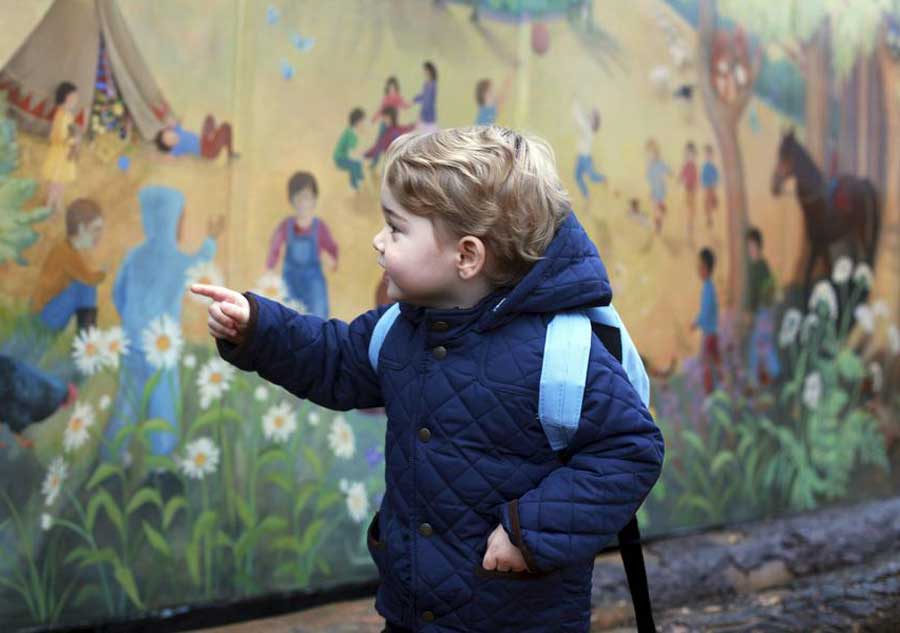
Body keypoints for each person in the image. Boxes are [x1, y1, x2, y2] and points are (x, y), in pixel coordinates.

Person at [191, 126, 664, 633]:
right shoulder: (403, 327)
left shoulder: (561, 353)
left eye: (395, 229)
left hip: (517, 616)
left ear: (466, 256)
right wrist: (259, 329)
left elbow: (630, 451)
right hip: (412, 608)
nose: (378, 241)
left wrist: (532, 534)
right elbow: (336, 361)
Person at [103, 185, 225, 461]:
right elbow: (199, 263)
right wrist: (212, 239)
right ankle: (161, 463)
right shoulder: (176, 261)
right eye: (180, 219)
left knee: (127, 400)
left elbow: (117, 293)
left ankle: (110, 457)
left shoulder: (134, 256)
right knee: (163, 402)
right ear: (173, 222)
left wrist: (132, 322)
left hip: (132, 342)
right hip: (162, 346)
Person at [265, 171, 338, 318]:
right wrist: (270, 269)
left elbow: (332, 248)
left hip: (314, 284)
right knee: (290, 319)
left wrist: (332, 260)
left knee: (317, 318)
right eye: (298, 198)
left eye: (307, 198)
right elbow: (275, 247)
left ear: (314, 200)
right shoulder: (286, 226)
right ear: (291, 200)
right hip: (291, 281)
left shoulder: (320, 227)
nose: (303, 203)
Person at [31, 198, 105, 333]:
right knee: (87, 285)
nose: (99, 236)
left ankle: (86, 339)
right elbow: (91, 277)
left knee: (85, 285)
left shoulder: (68, 249)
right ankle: (87, 339)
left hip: (47, 313)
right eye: (96, 229)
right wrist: (105, 272)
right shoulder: (66, 252)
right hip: (43, 317)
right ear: (82, 228)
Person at [745, 227, 780, 387]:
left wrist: (751, 312)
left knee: (756, 345)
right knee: (764, 344)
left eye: (752, 247)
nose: (750, 250)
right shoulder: (757, 265)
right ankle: (774, 371)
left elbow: (760, 291)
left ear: (759, 246)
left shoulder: (759, 267)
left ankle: (753, 381)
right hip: (763, 311)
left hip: (763, 311)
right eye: (748, 247)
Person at [42, 81, 82, 214]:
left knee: (61, 181)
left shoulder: (67, 114)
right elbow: (59, 136)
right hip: (59, 153)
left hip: (64, 153)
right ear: (67, 97)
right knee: (55, 182)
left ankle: (57, 204)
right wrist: (73, 140)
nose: (76, 100)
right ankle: (48, 206)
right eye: (74, 97)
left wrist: (74, 140)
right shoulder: (62, 115)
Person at [692, 247, 721, 395]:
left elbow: (706, 312)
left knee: (708, 364)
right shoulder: (708, 287)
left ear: (706, 268)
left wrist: (696, 323)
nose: (698, 269)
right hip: (712, 333)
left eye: (701, 266)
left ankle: (710, 392)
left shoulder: (708, 289)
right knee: (714, 363)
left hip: (710, 334)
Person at [154, 114, 237, 160]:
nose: (170, 137)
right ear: (169, 147)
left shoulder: (177, 130)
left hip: (205, 141)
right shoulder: (177, 149)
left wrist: (169, 121)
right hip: (207, 152)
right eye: (168, 141)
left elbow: (177, 120)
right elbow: (169, 158)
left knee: (209, 118)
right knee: (226, 127)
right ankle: (226, 148)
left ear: (170, 130)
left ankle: (227, 150)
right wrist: (157, 157)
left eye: (169, 134)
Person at [572, 98, 605, 200]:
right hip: (582, 157)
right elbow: (581, 118)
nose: (589, 116)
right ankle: (587, 195)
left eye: (592, 116)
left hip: (585, 158)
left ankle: (604, 179)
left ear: (594, 121)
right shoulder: (587, 127)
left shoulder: (588, 129)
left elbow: (579, 118)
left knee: (592, 176)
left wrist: (575, 104)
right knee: (577, 176)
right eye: (590, 115)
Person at [364, 107, 415, 171]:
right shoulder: (395, 129)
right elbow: (378, 147)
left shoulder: (389, 133)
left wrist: (366, 155)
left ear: (390, 118)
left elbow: (378, 147)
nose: (383, 120)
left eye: (384, 118)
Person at [333, 107, 366, 190]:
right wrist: (360, 157)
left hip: (343, 156)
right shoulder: (352, 135)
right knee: (355, 165)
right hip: (340, 159)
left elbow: (352, 151)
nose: (364, 123)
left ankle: (359, 177)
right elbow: (351, 155)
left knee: (358, 162)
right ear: (357, 122)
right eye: (362, 121)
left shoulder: (351, 131)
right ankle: (353, 185)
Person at [645, 138, 671, 233]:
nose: (652, 156)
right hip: (654, 189)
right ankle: (658, 222)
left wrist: (670, 172)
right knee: (655, 207)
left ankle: (658, 223)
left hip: (660, 188)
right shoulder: (650, 165)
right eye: (650, 154)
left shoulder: (660, 163)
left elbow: (667, 169)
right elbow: (648, 176)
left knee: (657, 206)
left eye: (654, 154)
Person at [679, 141, 699, 245]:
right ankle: (688, 224)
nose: (689, 156)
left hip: (692, 189)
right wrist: (680, 180)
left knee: (692, 208)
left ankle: (690, 224)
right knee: (689, 207)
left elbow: (696, 177)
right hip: (688, 189)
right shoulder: (686, 165)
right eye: (688, 154)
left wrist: (696, 185)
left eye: (691, 154)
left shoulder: (693, 166)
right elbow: (682, 174)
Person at [413, 61, 438, 132]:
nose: (424, 72)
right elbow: (423, 96)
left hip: (429, 118)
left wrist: (420, 115)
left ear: (430, 71)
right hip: (425, 118)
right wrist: (414, 100)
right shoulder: (426, 84)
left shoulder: (433, 85)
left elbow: (428, 102)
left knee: (431, 136)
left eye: (425, 70)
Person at [701, 143, 719, 229]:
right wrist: (703, 184)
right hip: (706, 187)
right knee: (706, 204)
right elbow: (703, 177)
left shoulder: (713, 167)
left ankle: (710, 218)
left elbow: (716, 176)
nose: (708, 156)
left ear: (712, 155)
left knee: (712, 203)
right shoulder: (705, 166)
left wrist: (715, 184)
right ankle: (709, 218)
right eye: (706, 154)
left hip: (712, 187)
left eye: (709, 154)